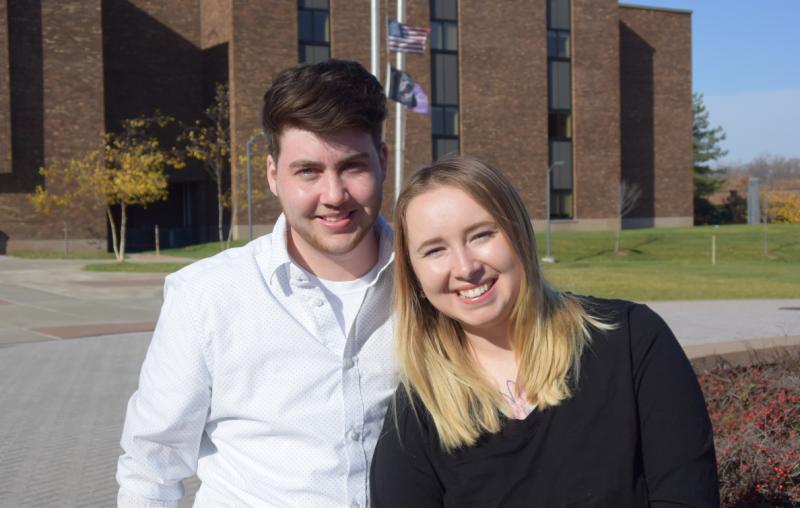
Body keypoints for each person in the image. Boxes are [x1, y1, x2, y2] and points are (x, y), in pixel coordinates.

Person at [117, 59, 395, 507]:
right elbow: (153, 462)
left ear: (382, 162)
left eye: (352, 167)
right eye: (308, 171)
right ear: (272, 174)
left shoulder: (430, 287)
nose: (333, 195)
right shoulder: (206, 296)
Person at [370, 155, 719, 507]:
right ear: (413, 275)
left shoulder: (632, 340)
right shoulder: (417, 413)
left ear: (518, 232)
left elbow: (687, 495)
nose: (465, 267)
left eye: (481, 235)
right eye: (435, 250)